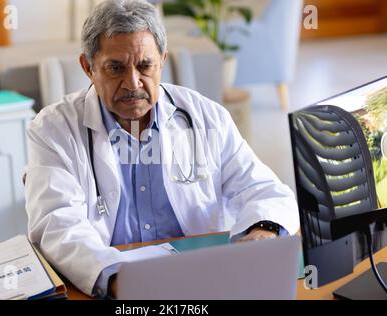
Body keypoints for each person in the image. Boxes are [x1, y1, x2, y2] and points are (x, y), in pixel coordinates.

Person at [24, 0, 299, 299]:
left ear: (163, 61)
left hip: (203, 281)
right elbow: (57, 223)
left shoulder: (206, 116)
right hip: (114, 289)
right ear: (88, 68)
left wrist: (262, 231)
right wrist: (124, 281)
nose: (132, 83)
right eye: (115, 68)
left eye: (145, 66)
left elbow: (266, 191)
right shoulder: (52, 128)